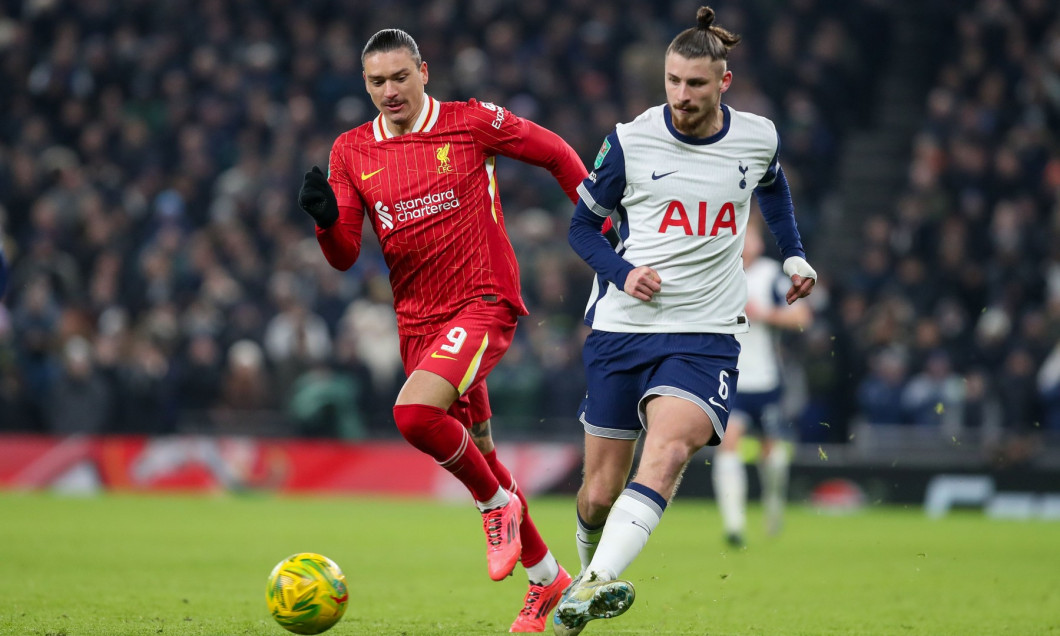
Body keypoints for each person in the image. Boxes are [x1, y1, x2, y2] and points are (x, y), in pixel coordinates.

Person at [295, 28, 613, 632]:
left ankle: (495, 509)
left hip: (483, 299)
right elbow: (342, 255)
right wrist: (324, 220)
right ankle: (548, 582)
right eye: (376, 81)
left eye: (399, 77)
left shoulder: (469, 122)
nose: (389, 91)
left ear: (424, 71)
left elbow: (555, 152)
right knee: (483, 452)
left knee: (414, 416)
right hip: (418, 322)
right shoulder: (350, 151)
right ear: (365, 84)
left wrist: (596, 227)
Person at [554, 7, 817, 634]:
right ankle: (587, 578)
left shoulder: (757, 137)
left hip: (706, 332)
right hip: (623, 326)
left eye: (695, 84)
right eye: (673, 81)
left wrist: (795, 251)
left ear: (722, 82)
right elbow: (581, 227)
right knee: (597, 494)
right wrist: (622, 272)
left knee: (669, 452)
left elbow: (773, 189)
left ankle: (588, 587)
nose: (681, 95)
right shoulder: (631, 139)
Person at [711, 219, 813, 548]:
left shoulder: (770, 274)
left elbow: (802, 316)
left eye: (750, 237)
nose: (745, 244)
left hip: (768, 379)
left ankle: (773, 504)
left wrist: (764, 314)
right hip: (732, 378)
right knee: (729, 445)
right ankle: (734, 524)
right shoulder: (719, 273)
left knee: (773, 454)